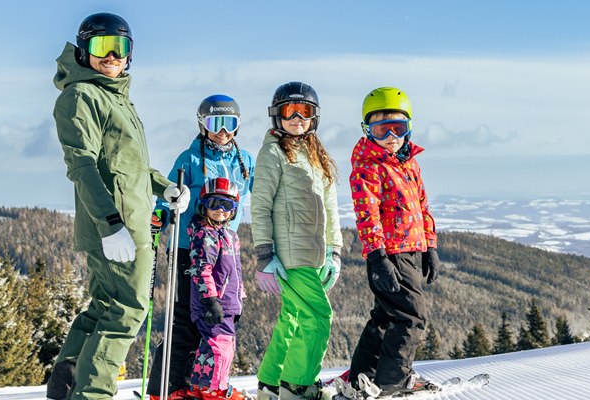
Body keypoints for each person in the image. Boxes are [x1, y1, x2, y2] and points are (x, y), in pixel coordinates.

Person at [48, 12, 191, 400]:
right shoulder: (81, 97)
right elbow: (82, 165)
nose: (112, 56)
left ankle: (70, 375)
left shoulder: (114, 97)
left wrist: (164, 188)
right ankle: (92, 393)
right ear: (83, 50)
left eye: (121, 47)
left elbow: (128, 167)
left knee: (105, 305)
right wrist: (111, 223)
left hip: (130, 220)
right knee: (128, 311)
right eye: (101, 47)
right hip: (118, 225)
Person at [329, 87, 441, 399]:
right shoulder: (369, 165)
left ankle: (363, 375)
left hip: (411, 250)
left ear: (409, 128)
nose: (392, 136)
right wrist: (377, 257)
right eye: (382, 129)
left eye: (399, 128)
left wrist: (429, 247)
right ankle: (394, 379)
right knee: (411, 315)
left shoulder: (409, 163)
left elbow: (422, 206)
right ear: (368, 131)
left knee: (385, 316)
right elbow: (367, 214)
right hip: (389, 253)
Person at [148, 95, 255, 400]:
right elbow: (168, 195)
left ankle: (200, 383)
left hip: (225, 251)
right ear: (202, 124)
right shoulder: (189, 159)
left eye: (229, 124)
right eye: (215, 123)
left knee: (216, 320)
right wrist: (162, 215)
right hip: (188, 248)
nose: (223, 131)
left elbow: (262, 193)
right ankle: (167, 387)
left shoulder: (244, 161)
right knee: (186, 317)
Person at [250, 81, 344, 400]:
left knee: (292, 317)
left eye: (305, 111)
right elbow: (260, 204)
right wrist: (264, 254)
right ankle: (299, 387)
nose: (297, 118)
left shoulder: (316, 154)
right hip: (291, 255)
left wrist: (334, 251)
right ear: (277, 115)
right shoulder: (273, 152)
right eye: (290, 111)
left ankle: (271, 384)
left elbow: (330, 207)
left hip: (315, 253)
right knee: (318, 317)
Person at [176, 177, 249, 400]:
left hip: (228, 304)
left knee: (219, 347)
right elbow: (201, 268)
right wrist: (210, 300)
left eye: (226, 205)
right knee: (219, 347)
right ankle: (213, 389)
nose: (220, 210)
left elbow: (235, 269)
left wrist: (239, 298)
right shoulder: (204, 235)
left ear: (234, 210)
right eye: (214, 203)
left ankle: (204, 386)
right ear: (203, 206)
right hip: (212, 305)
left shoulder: (230, 235)